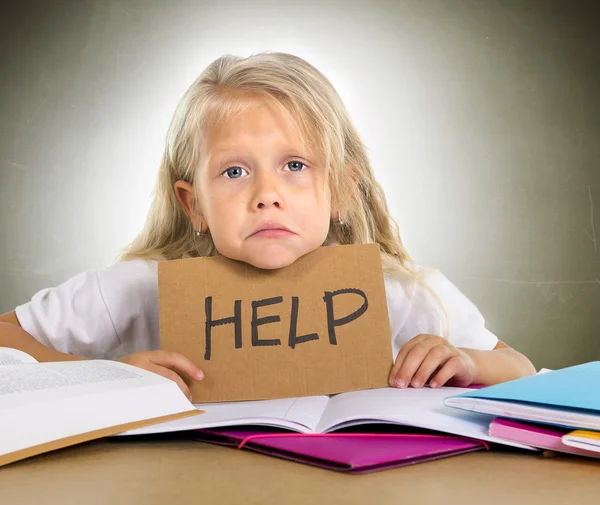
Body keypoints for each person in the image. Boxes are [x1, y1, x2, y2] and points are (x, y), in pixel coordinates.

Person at [0, 52, 536, 400]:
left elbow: (522, 368)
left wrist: (467, 361)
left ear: (342, 191)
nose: (267, 196)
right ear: (195, 206)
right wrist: (111, 374)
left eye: (295, 166)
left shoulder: (398, 291)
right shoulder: (137, 288)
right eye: (234, 172)